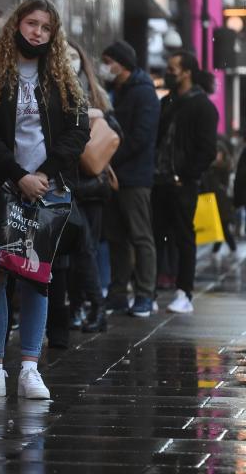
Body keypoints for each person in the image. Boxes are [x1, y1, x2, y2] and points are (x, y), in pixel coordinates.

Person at [0, 0, 89, 399]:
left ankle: (30, 368)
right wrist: (18, 175)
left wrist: (45, 174)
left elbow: (78, 131)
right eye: (31, 23)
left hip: (45, 193)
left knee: (38, 276)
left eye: (46, 27)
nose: (37, 32)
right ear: (16, 25)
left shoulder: (62, 79)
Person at [47, 41, 111, 343]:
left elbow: (114, 137)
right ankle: (77, 309)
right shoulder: (50, 89)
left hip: (89, 187)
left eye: (74, 55)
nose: (69, 61)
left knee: (84, 250)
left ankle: (93, 306)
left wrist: (95, 115)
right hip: (63, 183)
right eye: (64, 56)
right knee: (67, 253)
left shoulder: (94, 92)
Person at [152, 51, 219, 315]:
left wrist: (185, 176)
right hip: (160, 180)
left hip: (182, 183)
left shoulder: (202, 106)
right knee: (156, 235)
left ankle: (184, 292)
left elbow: (207, 150)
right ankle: (151, 291)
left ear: (187, 72)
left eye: (173, 68)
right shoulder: (167, 101)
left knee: (183, 236)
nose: (169, 73)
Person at [99, 40, 161, 317]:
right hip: (114, 174)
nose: (105, 67)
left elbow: (140, 137)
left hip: (134, 178)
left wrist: (108, 158)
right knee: (116, 237)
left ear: (120, 63)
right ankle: (118, 293)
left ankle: (145, 294)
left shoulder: (144, 93)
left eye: (108, 61)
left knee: (140, 236)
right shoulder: (116, 90)